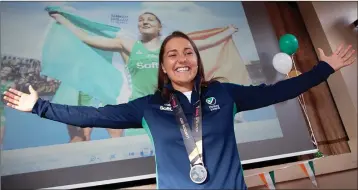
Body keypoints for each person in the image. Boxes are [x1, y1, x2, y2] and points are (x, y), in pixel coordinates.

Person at [6, 31, 354, 189]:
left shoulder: (223, 94)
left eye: (188, 52)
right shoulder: (148, 107)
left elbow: (279, 90)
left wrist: (324, 69)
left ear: (196, 61)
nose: (181, 58)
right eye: (172, 54)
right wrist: (39, 106)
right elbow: (93, 116)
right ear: (163, 67)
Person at [49, 11, 240, 139]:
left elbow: (205, 44)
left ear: (159, 27)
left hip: (173, 111)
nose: (144, 22)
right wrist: (63, 20)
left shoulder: (171, 47)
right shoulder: (129, 45)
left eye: (150, 19)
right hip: (142, 112)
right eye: (141, 20)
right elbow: (87, 38)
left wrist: (229, 31)